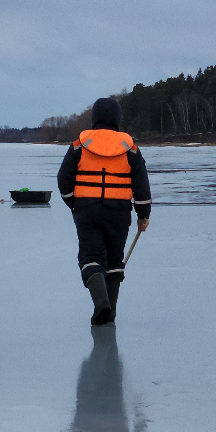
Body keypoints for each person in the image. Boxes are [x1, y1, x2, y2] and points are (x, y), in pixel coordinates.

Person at [57, 98, 151, 325]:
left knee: (91, 258)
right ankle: (111, 311)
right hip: (118, 212)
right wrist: (143, 214)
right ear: (118, 119)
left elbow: (63, 179)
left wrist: (74, 203)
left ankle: (102, 304)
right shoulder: (131, 148)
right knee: (114, 260)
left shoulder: (79, 145)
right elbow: (141, 184)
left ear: (94, 118)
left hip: (86, 210)